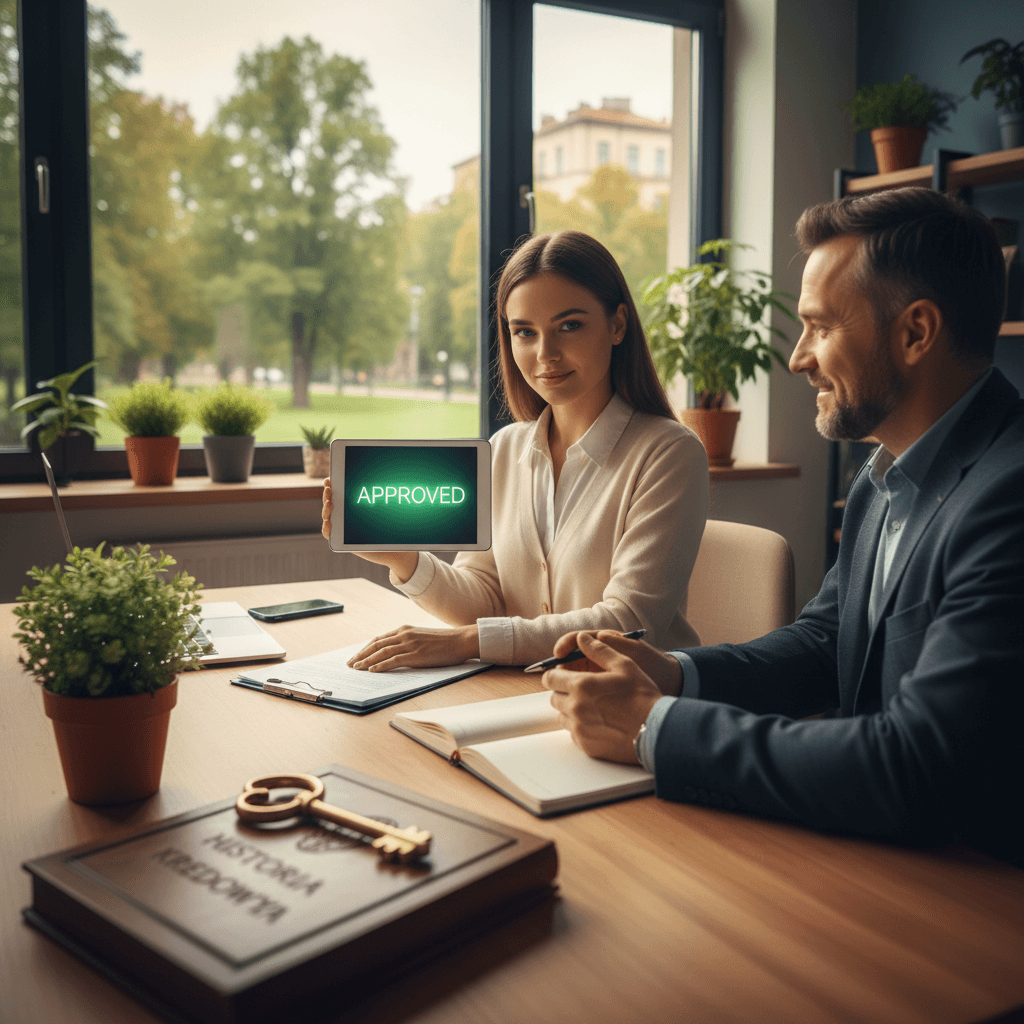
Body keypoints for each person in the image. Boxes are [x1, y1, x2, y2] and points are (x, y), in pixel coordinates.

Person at [544, 188, 1024, 862]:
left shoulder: (1008, 497)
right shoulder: (882, 476)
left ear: (916, 332)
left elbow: (917, 764)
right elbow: (826, 645)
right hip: (872, 848)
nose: (798, 357)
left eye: (821, 327)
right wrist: (674, 674)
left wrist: (655, 726)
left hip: (973, 884)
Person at [321, 230, 709, 669]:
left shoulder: (669, 454)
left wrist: (465, 643)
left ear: (617, 325)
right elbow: (485, 598)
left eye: (569, 326)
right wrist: (403, 559)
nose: (546, 354)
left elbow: (628, 621)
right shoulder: (504, 449)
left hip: (629, 696)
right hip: (523, 690)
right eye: (525, 332)